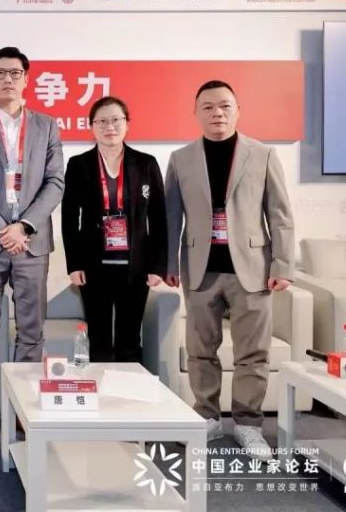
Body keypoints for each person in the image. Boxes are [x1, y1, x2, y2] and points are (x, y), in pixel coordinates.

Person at [165, 80, 294, 460]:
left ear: (238, 110)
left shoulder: (263, 154)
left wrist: (283, 265)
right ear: (196, 113)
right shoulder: (181, 158)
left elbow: (280, 216)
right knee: (200, 351)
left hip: (253, 270)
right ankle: (206, 416)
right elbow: (171, 217)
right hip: (200, 269)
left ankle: (248, 424)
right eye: (207, 107)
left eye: (224, 105)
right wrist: (169, 264)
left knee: (253, 354)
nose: (217, 113)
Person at [0, 46, 64, 447]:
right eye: (0, 73)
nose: (7, 79)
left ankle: (22, 407)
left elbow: (55, 182)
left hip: (32, 243)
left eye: (14, 73)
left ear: (26, 79)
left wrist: (24, 226)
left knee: (31, 331)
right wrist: (1, 230)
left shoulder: (47, 126)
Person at [62, 96, 167, 364]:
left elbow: (158, 217)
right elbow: (69, 218)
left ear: (127, 123)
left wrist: (158, 266)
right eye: (102, 121)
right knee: (98, 338)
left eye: (116, 120)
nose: (110, 127)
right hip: (93, 267)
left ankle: (127, 390)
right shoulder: (78, 164)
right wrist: (74, 264)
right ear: (92, 126)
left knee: (129, 340)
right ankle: (100, 390)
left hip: (136, 267)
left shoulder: (146, 163)